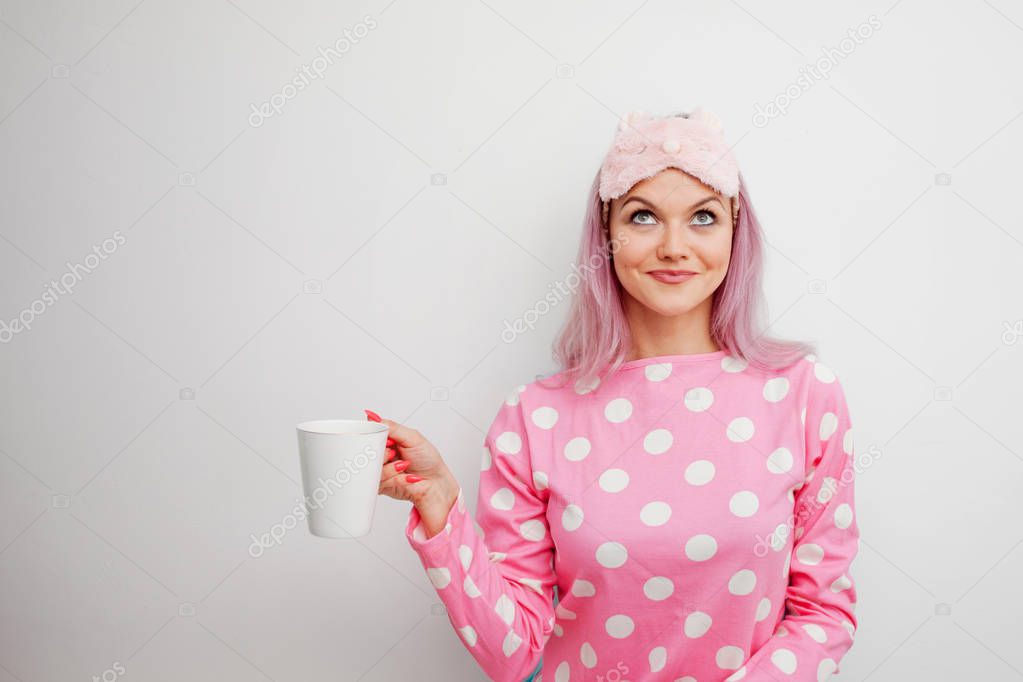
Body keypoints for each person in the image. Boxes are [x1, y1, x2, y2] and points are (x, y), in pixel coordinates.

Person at [372, 107, 859, 681]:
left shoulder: (803, 396)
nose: (674, 247)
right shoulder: (534, 418)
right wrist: (440, 506)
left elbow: (824, 615)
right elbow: (514, 653)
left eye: (702, 216)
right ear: (606, 233)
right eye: (644, 216)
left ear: (734, 228)